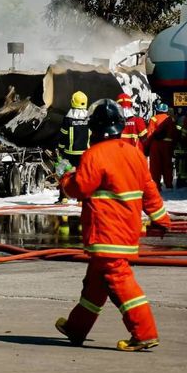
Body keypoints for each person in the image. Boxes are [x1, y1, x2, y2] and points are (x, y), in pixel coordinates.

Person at [54, 98, 172, 351]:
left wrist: (65, 179)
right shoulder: (135, 154)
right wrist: (161, 218)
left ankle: (145, 333)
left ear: (94, 129)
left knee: (119, 281)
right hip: (126, 231)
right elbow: (149, 190)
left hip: (105, 233)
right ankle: (76, 327)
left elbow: (80, 188)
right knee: (96, 283)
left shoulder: (93, 155)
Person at [55, 91, 90, 203]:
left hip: (69, 152)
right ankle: (81, 198)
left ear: (72, 102)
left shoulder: (68, 118)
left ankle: (64, 197)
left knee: (65, 174)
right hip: (84, 152)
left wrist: (60, 148)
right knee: (82, 176)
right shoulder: (89, 118)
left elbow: (63, 134)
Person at [146, 100, 178, 190]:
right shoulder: (170, 119)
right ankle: (169, 184)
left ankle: (156, 185)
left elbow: (149, 134)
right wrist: (174, 144)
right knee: (167, 165)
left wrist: (147, 146)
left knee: (155, 166)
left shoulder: (154, 119)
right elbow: (175, 134)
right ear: (166, 111)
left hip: (155, 145)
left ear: (158, 110)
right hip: (167, 145)